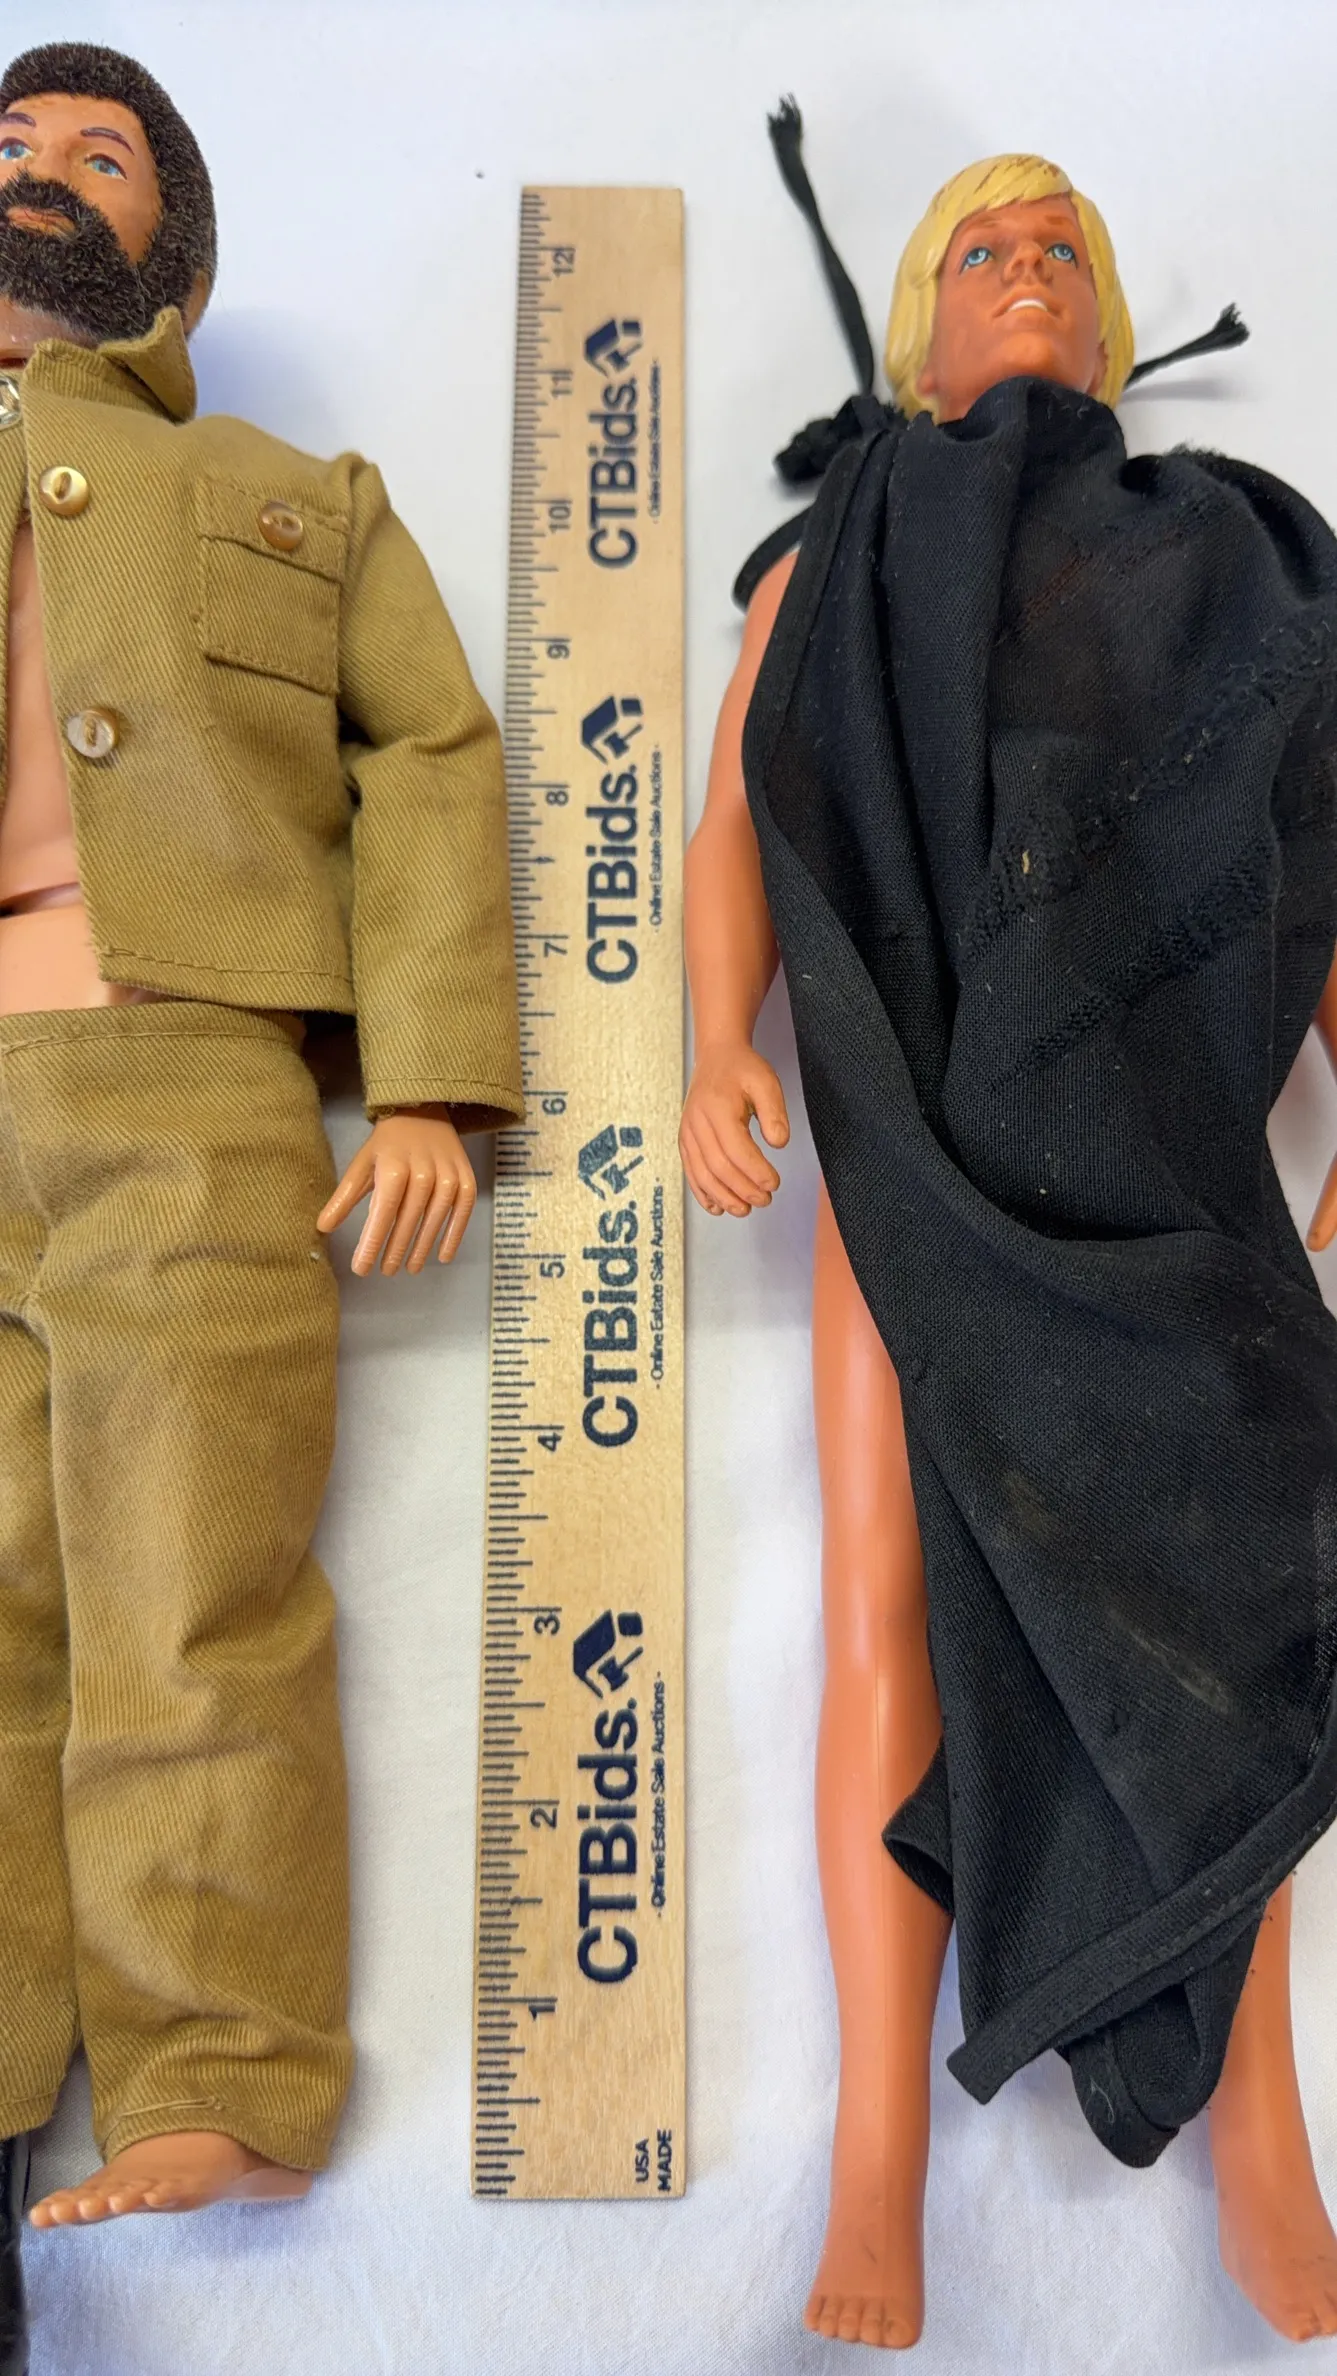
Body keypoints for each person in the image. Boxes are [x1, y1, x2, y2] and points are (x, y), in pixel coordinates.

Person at [681, 149, 1337, 2348]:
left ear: (1114, 315)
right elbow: (738, 815)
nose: (1029, 271)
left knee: (1208, 1632)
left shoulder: (1228, 562)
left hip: (1166, 1165)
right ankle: (873, 2152)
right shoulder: (837, 555)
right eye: (982, 248)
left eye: (1062, 247)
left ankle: (1264, 2129)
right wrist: (712, 1047)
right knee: (879, 1607)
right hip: (909, 1142)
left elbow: (1301, 838)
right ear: (916, 325)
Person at [0, 34, 520, 2343]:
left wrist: (427, 1090)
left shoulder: (288, 494)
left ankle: (213, 2070)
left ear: (173, 256)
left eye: (99, 154)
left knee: (187, 1589)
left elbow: (432, 760)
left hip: (188, 1081)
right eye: (13, 142)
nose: (42, 168)